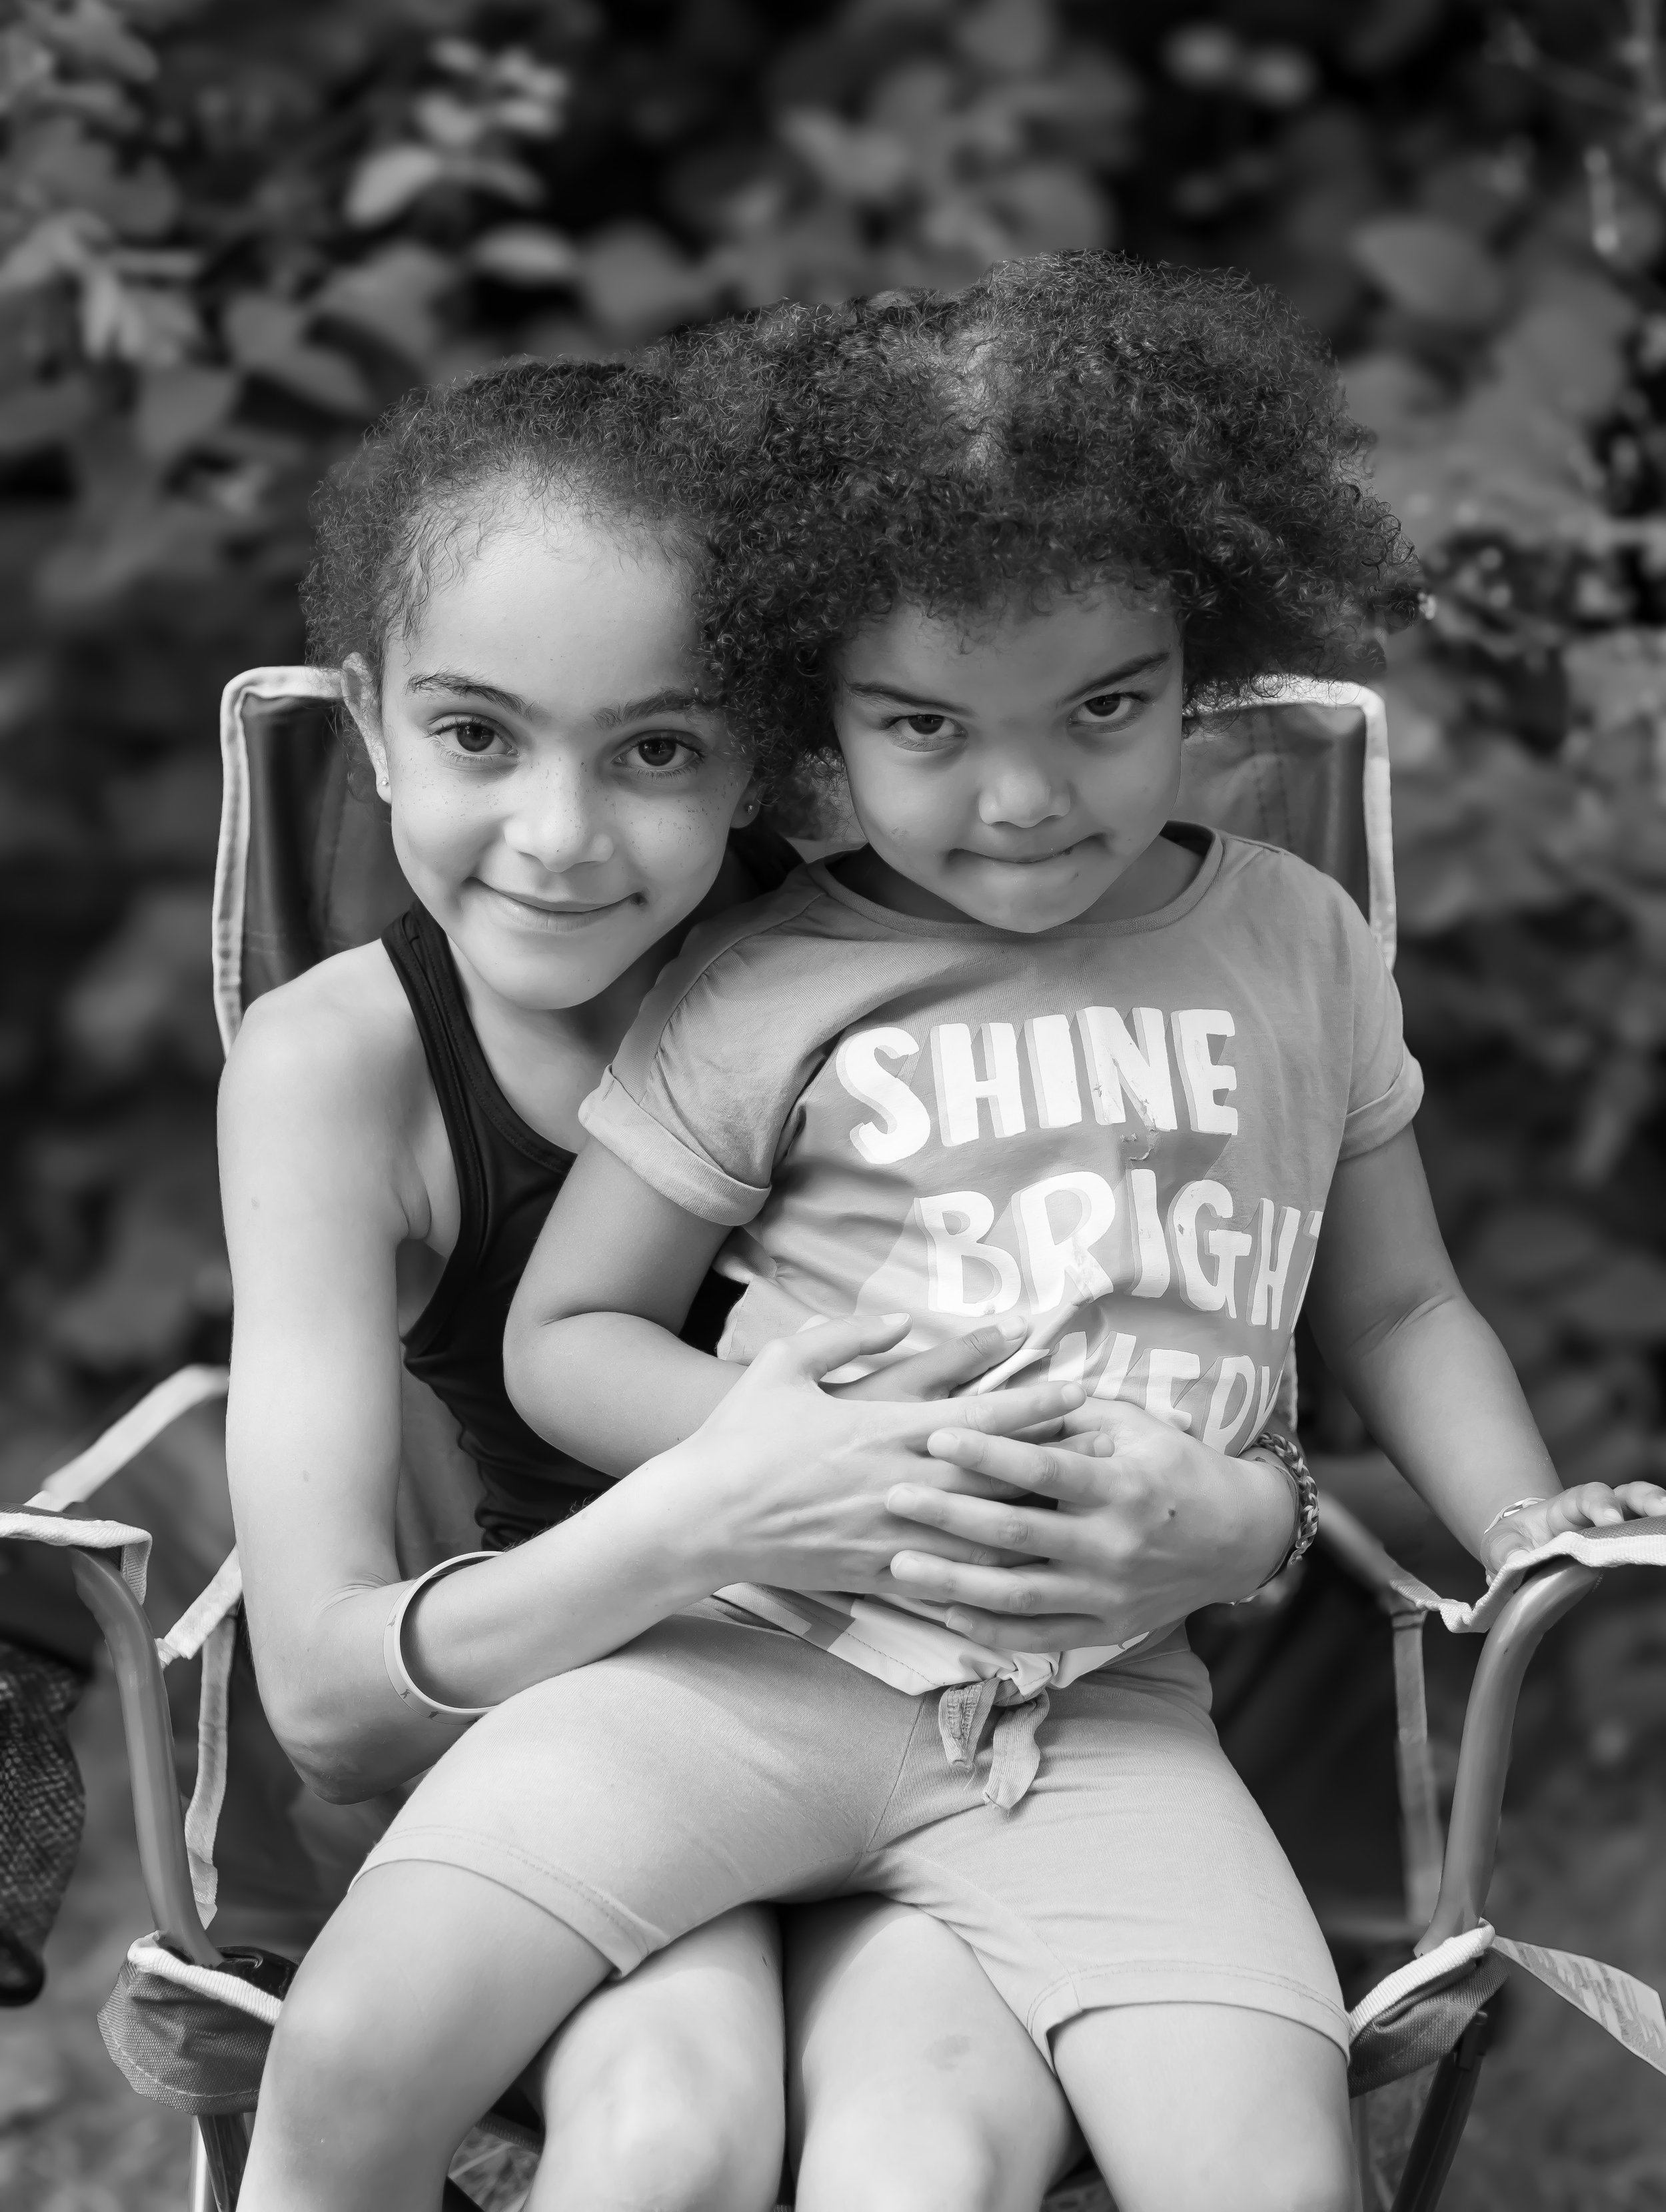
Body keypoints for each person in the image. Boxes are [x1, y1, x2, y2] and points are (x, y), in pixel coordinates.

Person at [225, 350, 1301, 2212]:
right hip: (567, 1713)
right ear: (372, 726)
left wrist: (1246, 1518)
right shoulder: (344, 1071)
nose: (564, 837)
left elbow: (1228, 1321)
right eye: (480, 735)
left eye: (655, 748)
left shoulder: (915, 937)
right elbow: (325, 1693)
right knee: (667, 2145)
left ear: (771, 749)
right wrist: (714, 1510)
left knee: (924, 2158)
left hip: (985, 1724)